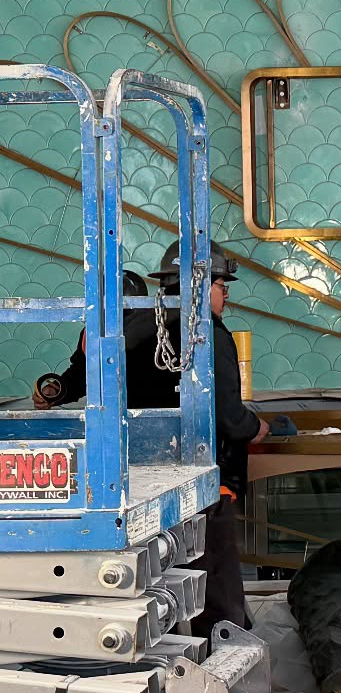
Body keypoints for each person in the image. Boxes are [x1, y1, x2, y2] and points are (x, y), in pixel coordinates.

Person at [136, 238, 269, 640]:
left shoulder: (137, 327)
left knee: (163, 575)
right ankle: (226, 651)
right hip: (207, 480)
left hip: (144, 480)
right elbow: (227, 413)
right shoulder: (208, 333)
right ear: (202, 284)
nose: (224, 295)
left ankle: (176, 641)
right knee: (215, 573)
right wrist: (255, 428)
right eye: (221, 286)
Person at [31, 270, 149, 408]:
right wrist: (56, 392)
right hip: (109, 414)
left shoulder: (156, 332)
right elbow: (82, 374)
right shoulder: (91, 332)